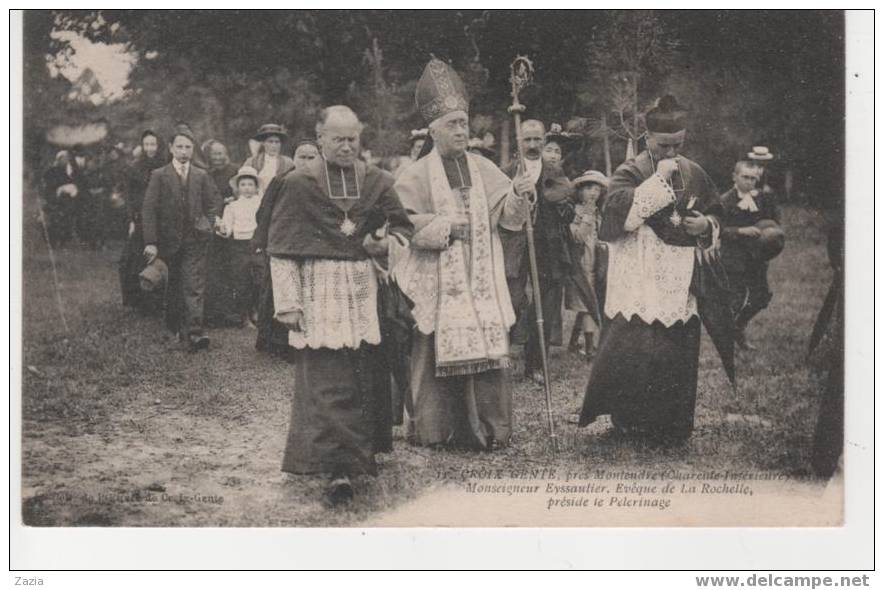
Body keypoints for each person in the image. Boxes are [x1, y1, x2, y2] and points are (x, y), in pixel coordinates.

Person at [267, 106, 412, 504]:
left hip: (362, 290)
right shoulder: (297, 184)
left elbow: (402, 231)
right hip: (317, 290)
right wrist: (289, 304)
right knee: (326, 377)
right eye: (338, 139)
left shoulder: (378, 181)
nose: (347, 146)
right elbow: (280, 249)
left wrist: (383, 246)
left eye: (353, 139)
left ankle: (356, 457)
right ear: (320, 139)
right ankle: (334, 466)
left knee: (361, 373)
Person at [394, 58, 531, 450]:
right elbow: (400, 223)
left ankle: (489, 428)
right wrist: (442, 229)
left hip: (481, 282)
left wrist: (520, 196)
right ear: (433, 130)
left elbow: (508, 217)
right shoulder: (416, 175)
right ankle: (436, 429)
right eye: (452, 124)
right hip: (439, 279)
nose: (460, 130)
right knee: (431, 346)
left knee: (488, 347)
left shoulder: (484, 167)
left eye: (463, 123)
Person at [578, 95, 730, 445]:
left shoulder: (694, 172)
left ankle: (672, 423)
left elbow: (717, 211)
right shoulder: (630, 171)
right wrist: (657, 182)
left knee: (675, 345)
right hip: (639, 271)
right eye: (664, 145)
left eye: (678, 144)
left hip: (678, 276)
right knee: (637, 346)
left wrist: (704, 225)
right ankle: (629, 421)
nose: (671, 152)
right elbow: (616, 213)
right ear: (648, 139)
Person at [499, 119, 575, 383]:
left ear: (544, 141)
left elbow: (567, 205)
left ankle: (535, 365)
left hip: (547, 248)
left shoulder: (556, 172)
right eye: (527, 139)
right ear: (519, 141)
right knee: (512, 301)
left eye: (537, 140)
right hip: (515, 249)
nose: (532, 145)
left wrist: (554, 203)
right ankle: (502, 359)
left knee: (544, 305)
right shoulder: (507, 171)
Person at [142, 124, 223, 351]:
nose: (184, 151)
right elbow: (149, 209)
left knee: (194, 285)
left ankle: (195, 333)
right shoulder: (159, 175)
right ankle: (173, 329)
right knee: (173, 285)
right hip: (168, 241)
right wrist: (151, 241)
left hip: (195, 239)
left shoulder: (201, 175)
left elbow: (213, 201)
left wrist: (209, 221)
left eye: (188, 147)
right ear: (170, 148)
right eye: (180, 147)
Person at [252, 140, 319, 357]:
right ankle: (275, 342)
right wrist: (262, 243)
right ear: (294, 159)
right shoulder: (281, 181)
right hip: (283, 244)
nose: (307, 162)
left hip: (312, 246)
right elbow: (264, 212)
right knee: (277, 293)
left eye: (312, 157)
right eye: (302, 157)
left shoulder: (323, 182)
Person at [719, 160, 783, 349]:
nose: (749, 182)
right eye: (745, 177)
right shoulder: (725, 200)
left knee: (761, 297)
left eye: (753, 179)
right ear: (734, 177)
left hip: (757, 257)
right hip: (734, 258)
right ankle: (726, 339)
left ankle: (739, 326)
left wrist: (771, 235)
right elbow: (717, 229)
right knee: (735, 300)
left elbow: (774, 222)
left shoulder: (763, 199)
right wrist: (740, 231)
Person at [120, 131, 167, 310]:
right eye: (146, 144)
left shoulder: (166, 165)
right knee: (132, 259)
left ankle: (157, 301)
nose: (149, 148)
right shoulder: (135, 167)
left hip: (161, 220)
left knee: (157, 259)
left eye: (153, 144)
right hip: (140, 219)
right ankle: (135, 300)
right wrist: (131, 219)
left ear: (159, 145)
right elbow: (130, 195)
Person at [565, 170, 608, 360]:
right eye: (589, 188)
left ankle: (574, 342)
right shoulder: (575, 211)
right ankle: (590, 349)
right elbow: (578, 237)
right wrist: (588, 217)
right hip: (580, 262)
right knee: (587, 300)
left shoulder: (598, 212)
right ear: (580, 191)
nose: (593, 193)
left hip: (596, 261)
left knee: (587, 302)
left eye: (597, 189)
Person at [202, 139, 240, 328]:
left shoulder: (234, 170)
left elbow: (243, 191)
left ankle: (231, 312)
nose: (217, 157)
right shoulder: (206, 173)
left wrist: (233, 199)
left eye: (220, 153)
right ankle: (214, 313)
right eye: (214, 154)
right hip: (213, 223)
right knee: (213, 268)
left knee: (230, 269)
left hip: (232, 223)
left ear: (226, 154)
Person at [219, 166, 263, 326]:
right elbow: (227, 228)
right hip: (239, 246)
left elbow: (265, 225)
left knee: (260, 279)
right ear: (238, 187)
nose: (247, 188)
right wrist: (223, 229)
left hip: (258, 245)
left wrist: (261, 242)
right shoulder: (232, 206)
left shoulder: (262, 205)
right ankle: (244, 316)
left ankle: (256, 310)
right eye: (243, 184)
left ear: (256, 187)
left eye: (250, 184)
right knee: (242, 280)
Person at [41, 150, 81, 247]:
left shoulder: (66, 172)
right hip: (53, 197)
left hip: (65, 199)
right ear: (58, 159)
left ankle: (63, 240)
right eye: (64, 159)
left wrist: (68, 188)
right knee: (54, 219)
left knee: (65, 218)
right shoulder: (51, 171)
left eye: (67, 159)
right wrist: (59, 189)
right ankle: (53, 241)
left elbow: (70, 182)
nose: (66, 161)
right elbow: (47, 185)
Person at [243, 124, 295, 197]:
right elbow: (242, 182)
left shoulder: (288, 163)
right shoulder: (251, 162)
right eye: (270, 142)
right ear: (263, 143)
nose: (274, 146)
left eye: (277, 142)